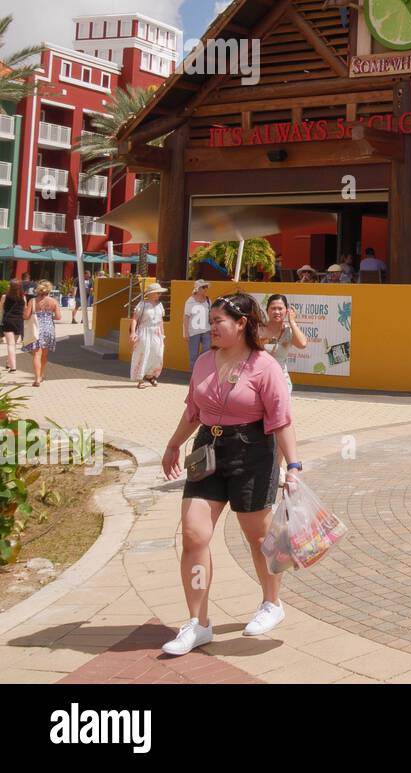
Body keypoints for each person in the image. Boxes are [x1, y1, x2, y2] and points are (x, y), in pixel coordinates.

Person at [159, 292, 301, 655]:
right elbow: (194, 410)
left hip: (253, 450)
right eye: (210, 322)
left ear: (241, 324)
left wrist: (294, 467)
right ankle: (198, 622)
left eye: (218, 322)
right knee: (193, 535)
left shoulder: (263, 365)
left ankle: (272, 603)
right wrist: (174, 444)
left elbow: (281, 421)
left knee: (259, 537)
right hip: (208, 449)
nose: (211, 329)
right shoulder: (205, 361)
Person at [260, 294, 308, 392]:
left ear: (287, 311)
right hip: (259, 380)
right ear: (267, 310)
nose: (277, 312)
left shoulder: (288, 331)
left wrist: (292, 322)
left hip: (281, 381)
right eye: (273, 308)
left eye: (280, 308)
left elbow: (302, 344)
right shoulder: (258, 330)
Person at [22, 280, 61, 387]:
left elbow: (25, 316)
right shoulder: (53, 301)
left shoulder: (33, 301)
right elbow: (58, 317)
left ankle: (37, 378)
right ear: (49, 290)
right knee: (44, 354)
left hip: (36, 329)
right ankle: (41, 374)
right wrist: (48, 316)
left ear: (38, 290)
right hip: (48, 329)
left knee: (36, 355)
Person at [129, 282, 167, 389]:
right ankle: (140, 379)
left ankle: (150, 375)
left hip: (157, 333)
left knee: (157, 354)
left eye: (160, 293)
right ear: (150, 293)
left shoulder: (160, 305)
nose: (159, 294)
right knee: (143, 354)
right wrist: (133, 332)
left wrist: (163, 335)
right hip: (144, 332)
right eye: (157, 292)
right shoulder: (142, 304)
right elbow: (135, 319)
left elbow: (161, 321)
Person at [182, 280, 213, 370]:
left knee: (207, 351)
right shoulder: (190, 301)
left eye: (206, 287)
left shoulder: (208, 300)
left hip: (206, 330)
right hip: (193, 331)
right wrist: (185, 332)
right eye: (203, 287)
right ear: (198, 289)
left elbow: (210, 315)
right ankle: (194, 375)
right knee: (193, 354)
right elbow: (186, 317)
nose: (206, 289)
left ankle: (203, 372)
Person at [3, 283, 24, 373]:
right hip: (18, 321)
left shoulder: (5, 296)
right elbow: (25, 309)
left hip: (8, 321)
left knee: (10, 344)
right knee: (13, 344)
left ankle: (13, 367)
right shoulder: (22, 297)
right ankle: (8, 363)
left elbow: (1, 309)